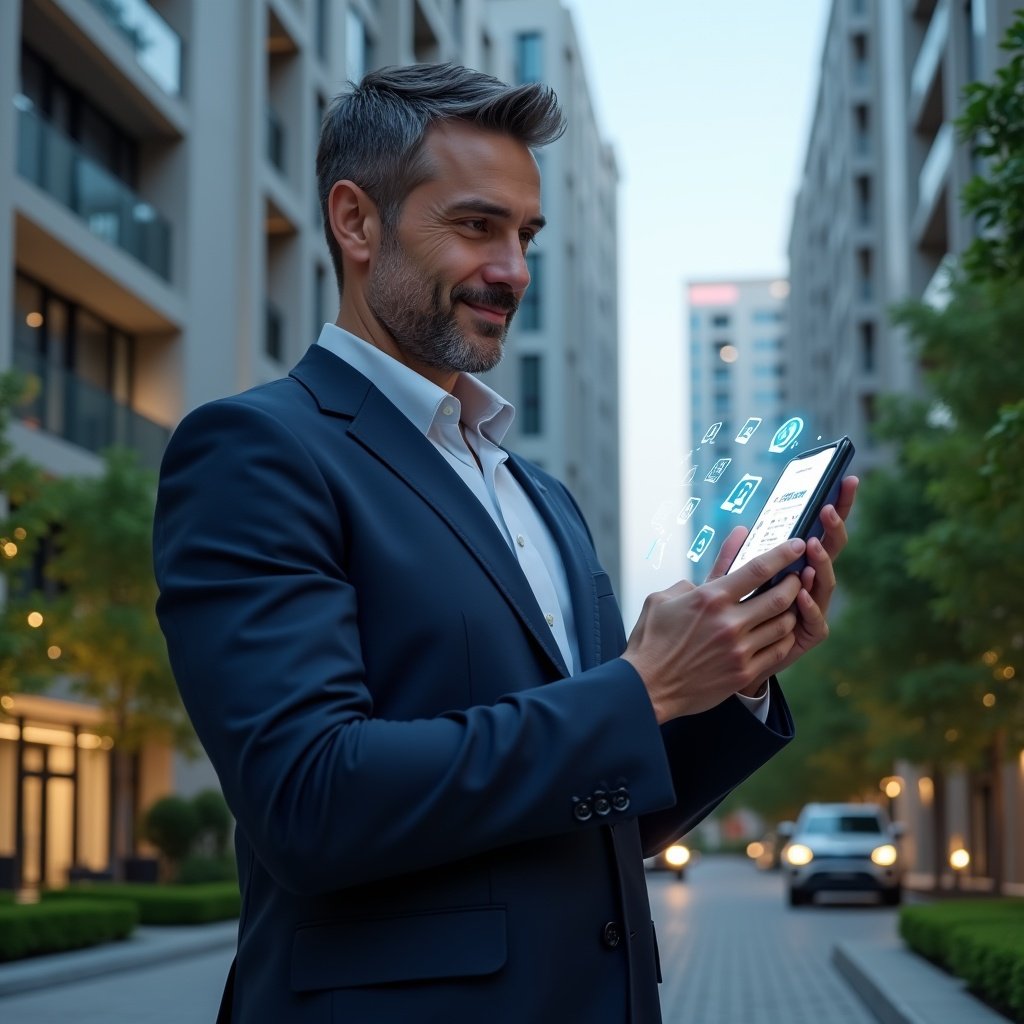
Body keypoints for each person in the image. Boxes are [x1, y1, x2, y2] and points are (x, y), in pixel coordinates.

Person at [153, 63, 857, 1024]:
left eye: (526, 236)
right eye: (477, 225)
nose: (514, 271)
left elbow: (614, 811)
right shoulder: (257, 451)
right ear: (356, 223)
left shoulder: (542, 498)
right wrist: (643, 687)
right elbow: (308, 800)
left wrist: (727, 677)